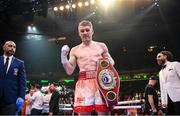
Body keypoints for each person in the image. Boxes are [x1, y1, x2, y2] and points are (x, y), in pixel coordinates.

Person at [61, 20, 115, 115]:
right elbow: (69, 71)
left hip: (101, 81)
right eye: (82, 31)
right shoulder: (74, 50)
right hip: (83, 83)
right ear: (79, 33)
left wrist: (107, 62)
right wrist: (63, 57)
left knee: (104, 113)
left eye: (87, 30)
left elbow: (112, 62)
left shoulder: (101, 46)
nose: (85, 32)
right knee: (83, 113)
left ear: (92, 31)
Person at [0, 41, 26, 115]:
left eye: (14, 47)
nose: (12, 48)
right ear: (4, 47)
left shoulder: (20, 63)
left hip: (11, 100)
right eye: (10, 46)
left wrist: (21, 97)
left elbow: (22, 83)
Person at [156, 50, 180, 115]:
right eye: (157, 58)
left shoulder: (175, 64)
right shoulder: (160, 72)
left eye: (159, 56)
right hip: (167, 100)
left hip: (178, 96)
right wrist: (163, 101)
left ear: (165, 56)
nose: (157, 58)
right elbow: (162, 87)